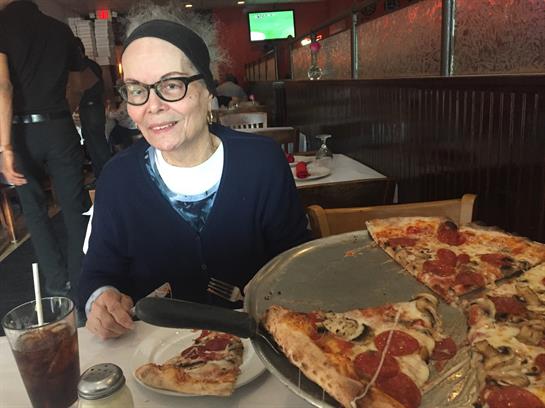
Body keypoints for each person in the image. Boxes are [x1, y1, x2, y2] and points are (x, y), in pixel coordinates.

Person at [79, 1, 310, 340]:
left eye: (172, 85)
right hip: (153, 354)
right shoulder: (117, 178)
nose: (153, 106)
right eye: (137, 90)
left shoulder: (262, 162)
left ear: (207, 89)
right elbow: (96, 274)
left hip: (255, 343)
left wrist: (277, 287)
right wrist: (102, 300)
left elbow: (295, 259)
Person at [0, 0, 91, 300]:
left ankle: (56, 282)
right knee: (75, 207)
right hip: (59, 126)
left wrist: (5, 147)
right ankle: (83, 279)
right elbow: (77, 85)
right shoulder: (60, 29)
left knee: (34, 210)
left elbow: (3, 87)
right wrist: (62, 113)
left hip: (20, 132)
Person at [75, 37, 112, 184]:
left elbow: (83, 91)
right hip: (92, 108)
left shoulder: (84, 67)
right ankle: (101, 176)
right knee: (93, 143)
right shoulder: (92, 65)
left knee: (97, 144)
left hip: (91, 108)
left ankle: (106, 176)